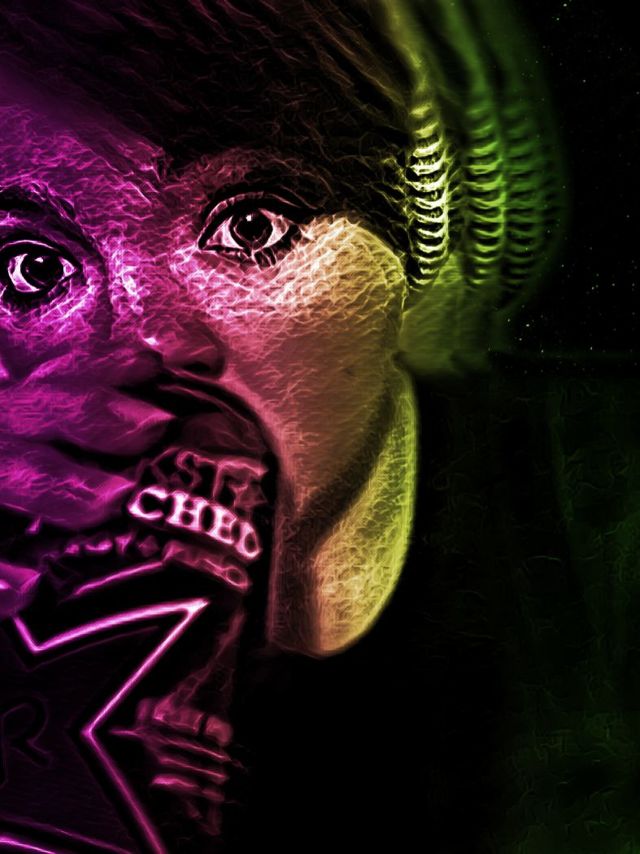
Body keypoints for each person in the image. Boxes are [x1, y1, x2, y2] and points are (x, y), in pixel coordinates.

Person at [0, 1, 563, 851]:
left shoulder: (588, 566)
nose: (150, 341)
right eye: (33, 269)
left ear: (415, 258)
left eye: (249, 226)